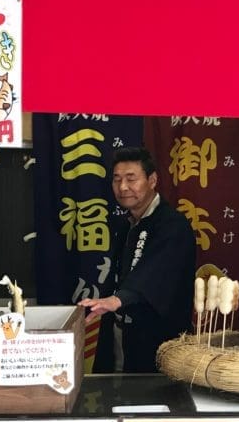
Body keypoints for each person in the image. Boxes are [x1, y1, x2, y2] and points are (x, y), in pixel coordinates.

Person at [79, 146, 196, 373]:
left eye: (131, 179)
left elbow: (159, 272)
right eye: (117, 179)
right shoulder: (125, 224)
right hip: (119, 331)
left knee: (149, 399)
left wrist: (118, 299)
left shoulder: (173, 225)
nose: (123, 187)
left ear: (152, 180)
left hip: (156, 338)